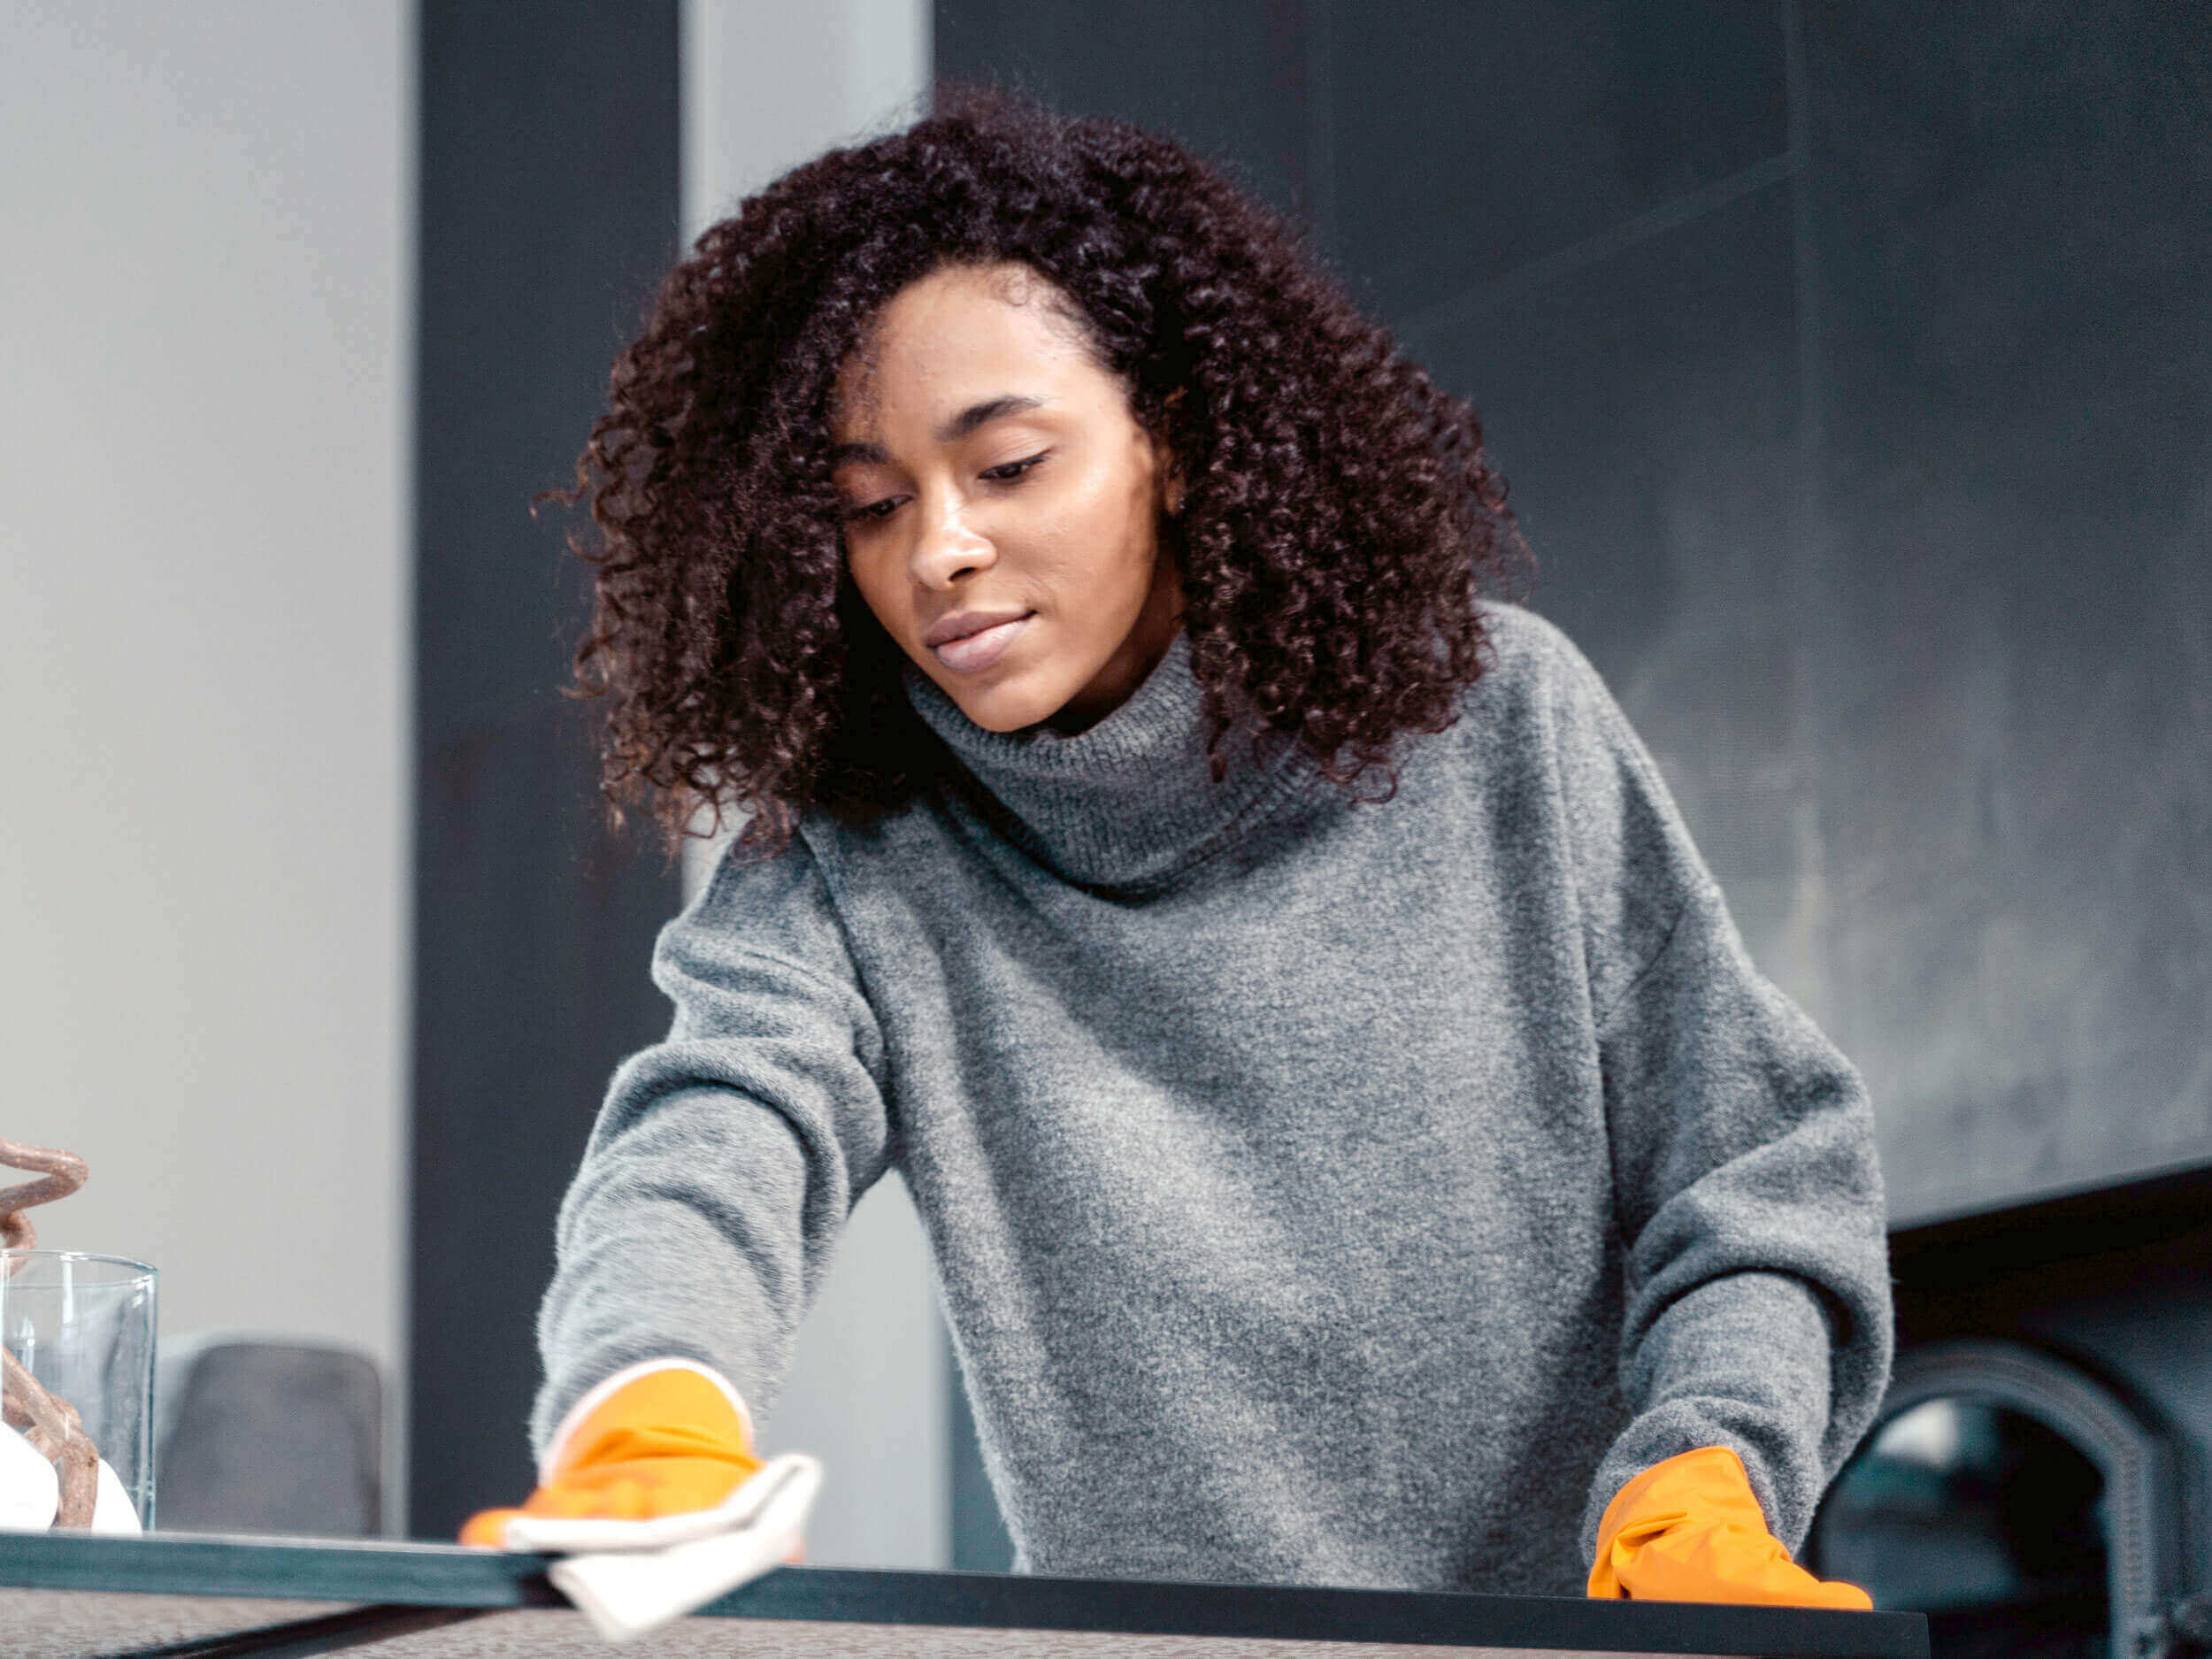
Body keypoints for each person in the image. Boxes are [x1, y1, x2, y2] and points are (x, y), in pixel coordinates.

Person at [459, 88, 1892, 1606]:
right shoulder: (857, 856)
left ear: (1182, 444)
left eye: (1007, 466)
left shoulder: (1499, 719)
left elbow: (1757, 1169)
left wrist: (1709, 1472)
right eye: (870, 505)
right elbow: (713, 1139)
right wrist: (650, 1398)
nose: (937, 548)